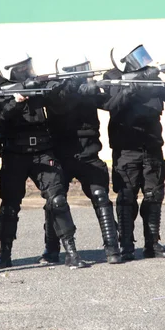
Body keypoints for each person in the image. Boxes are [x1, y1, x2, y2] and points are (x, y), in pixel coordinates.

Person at [0, 53, 89, 269]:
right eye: (22, 68)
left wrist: (70, 85)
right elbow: (2, 115)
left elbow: (59, 102)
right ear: (10, 70)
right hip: (14, 153)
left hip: (42, 151)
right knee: (9, 207)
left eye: (28, 66)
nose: (28, 70)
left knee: (58, 200)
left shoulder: (37, 85)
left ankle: (71, 252)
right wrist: (18, 98)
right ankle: (4, 255)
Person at [102, 44, 165, 260]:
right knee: (126, 198)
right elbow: (112, 104)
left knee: (154, 197)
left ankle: (152, 244)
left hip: (152, 148)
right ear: (124, 61)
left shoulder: (152, 80)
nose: (143, 60)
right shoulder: (113, 80)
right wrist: (135, 85)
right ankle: (126, 246)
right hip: (127, 151)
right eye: (137, 57)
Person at [38, 55, 122, 265]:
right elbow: (59, 105)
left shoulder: (89, 88)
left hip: (89, 154)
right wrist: (75, 89)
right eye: (81, 69)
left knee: (100, 196)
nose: (87, 72)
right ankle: (51, 250)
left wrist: (126, 90)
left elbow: (111, 103)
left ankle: (112, 248)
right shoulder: (54, 88)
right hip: (61, 156)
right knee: (55, 202)